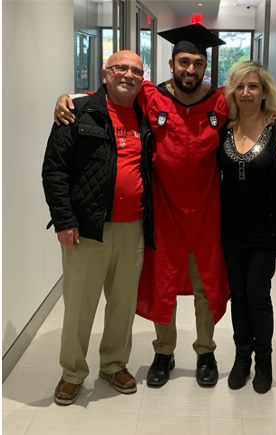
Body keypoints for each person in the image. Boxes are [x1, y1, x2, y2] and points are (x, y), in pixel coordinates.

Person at [54, 24, 276, 389]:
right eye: (184, 61)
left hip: (207, 209)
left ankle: (205, 351)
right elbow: (106, 95)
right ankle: (163, 352)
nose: (190, 69)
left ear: (206, 67)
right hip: (164, 209)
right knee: (163, 280)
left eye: (198, 63)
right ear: (171, 64)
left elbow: (272, 113)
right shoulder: (151, 97)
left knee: (205, 283)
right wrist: (65, 98)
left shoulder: (220, 101)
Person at [42, 50, 155, 405]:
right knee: (79, 305)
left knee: (123, 304)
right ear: (105, 74)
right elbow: (54, 170)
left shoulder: (146, 115)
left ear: (143, 78)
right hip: (87, 229)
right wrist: (64, 219)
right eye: (120, 68)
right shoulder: (78, 110)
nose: (128, 74)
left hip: (132, 227)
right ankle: (73, 373)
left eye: (136, 70)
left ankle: (114, 364)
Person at [218, 60, 276, 394]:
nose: (246, 93)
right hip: (230, 230)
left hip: (266, 229)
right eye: (239, 86)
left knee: (257, 294)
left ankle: (264, 361)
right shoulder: (225, 127)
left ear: (264, 91)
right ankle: (242, 358)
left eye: (253, 86)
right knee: (237, 295)